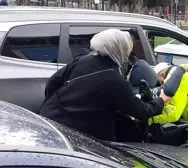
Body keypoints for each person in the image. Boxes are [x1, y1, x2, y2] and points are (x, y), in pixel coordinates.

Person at [39, 29, 171, 142]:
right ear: (119, 50)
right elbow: (140, 111)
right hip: (78, 135)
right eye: (127, 50)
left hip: (50, 119)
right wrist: (161, 100)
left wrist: (59, 104)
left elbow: (52, 84)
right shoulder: (114, 79)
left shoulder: (81, 60)